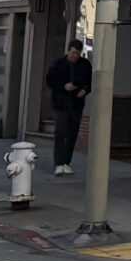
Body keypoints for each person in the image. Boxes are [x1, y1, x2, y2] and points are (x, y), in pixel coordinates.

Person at [44, 40, 92, 177]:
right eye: (72, 53)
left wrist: (85, 90)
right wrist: (63, 87)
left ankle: (66, 162)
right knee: (61, 132)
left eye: (77, 53)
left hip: (76, 103)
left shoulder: (85, 65)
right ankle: (59, 163)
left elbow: (90, 81)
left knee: (72, 133)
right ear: (68, 51)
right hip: (60, 103)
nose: (74, 56)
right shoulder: (58, 64)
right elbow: (50, 80)